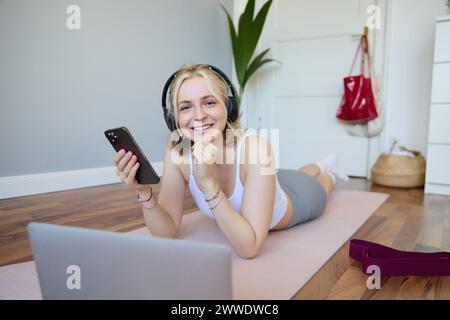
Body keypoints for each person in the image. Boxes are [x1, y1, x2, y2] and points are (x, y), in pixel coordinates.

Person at [113, 64, 349, 259]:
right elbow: (165, 232)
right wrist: (144, 192)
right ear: (174, 118)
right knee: (292, 173)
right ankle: (321, 164)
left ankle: (330, 170)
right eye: (186, 107)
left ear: (228, 107)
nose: (198, 116)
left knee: (319, 183)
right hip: (271, 181)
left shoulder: (256, 149)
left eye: (209, 102)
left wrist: (209, 185)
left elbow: (249, 248)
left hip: (299, 199)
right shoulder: (177, 148)